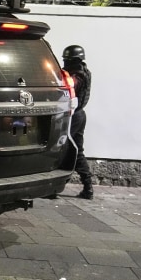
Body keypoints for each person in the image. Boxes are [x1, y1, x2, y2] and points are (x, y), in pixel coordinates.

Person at [63, 44, 93, 200]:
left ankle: (58, 184)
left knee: (66, 148)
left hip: (73, 116)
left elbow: (69, 87)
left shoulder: (76, 75)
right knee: (75, 150)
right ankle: (87, 187)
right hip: (79, 115)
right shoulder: (84, 72)